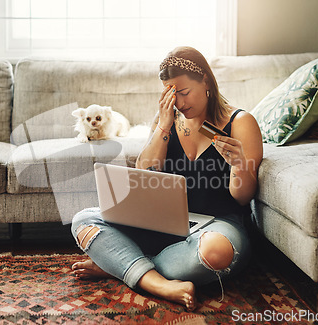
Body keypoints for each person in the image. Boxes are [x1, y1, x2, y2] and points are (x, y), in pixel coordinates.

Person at [70, 46, 263, 311]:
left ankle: (121, 264)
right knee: (84, 221)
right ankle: (158, 282)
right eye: (172, 95)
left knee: (216, 253)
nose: (180, 103)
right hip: (163, 225)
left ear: (205, 80)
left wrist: (240, 165)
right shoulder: (167, 120)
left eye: (184, 92)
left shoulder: (241, 122)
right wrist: (163, 125)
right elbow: (145, 172)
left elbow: (243, 197)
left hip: (216, 227)